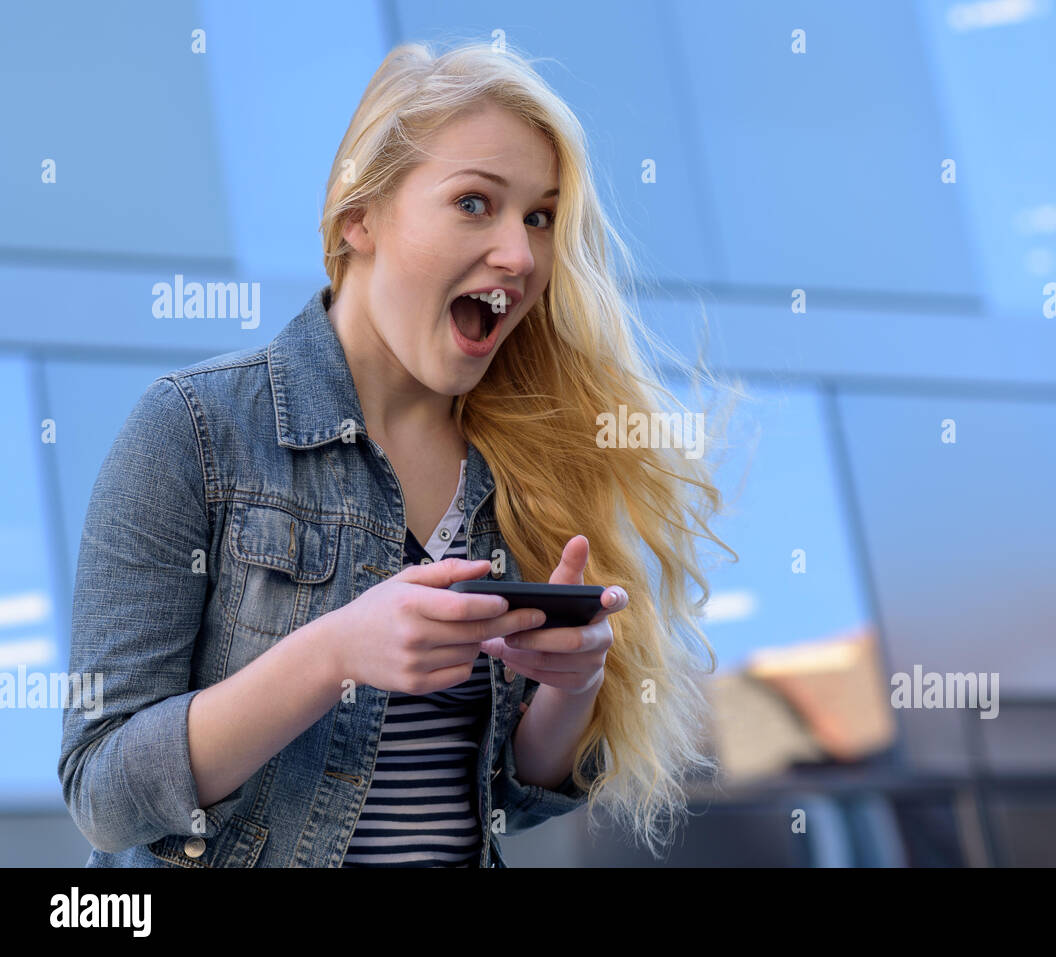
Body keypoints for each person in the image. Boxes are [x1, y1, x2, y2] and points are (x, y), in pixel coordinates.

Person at [58, 39, 735, 867]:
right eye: (476, 204)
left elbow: (511, 797)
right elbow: (103, 793)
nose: (520, 257)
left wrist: (570, 685)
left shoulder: (525, 464)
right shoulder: (194, 430)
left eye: (540, 217)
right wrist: (335, 652)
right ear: (360, 217)